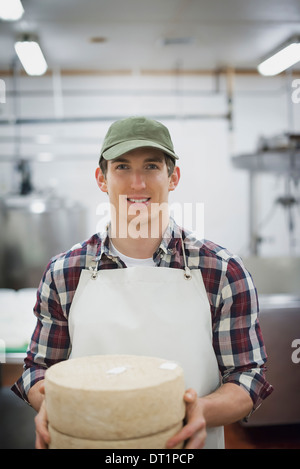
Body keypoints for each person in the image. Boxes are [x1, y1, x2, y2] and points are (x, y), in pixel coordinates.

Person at [12, 116, 273, 449]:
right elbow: (39, 368)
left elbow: (248, 376)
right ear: (101, 178)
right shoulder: (64, 272)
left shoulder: (222, 271)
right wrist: (52, 405)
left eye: (151, 166)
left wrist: (202, 410)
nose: (137, 183)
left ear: (173, 177)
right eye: (122, 167)